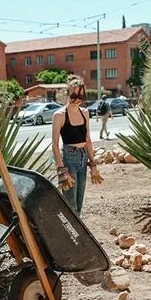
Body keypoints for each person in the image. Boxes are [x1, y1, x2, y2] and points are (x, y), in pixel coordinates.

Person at [51, 75, 103, 215]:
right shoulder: (59, 115)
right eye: (74, 96)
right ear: (67, 94)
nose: (77, 100)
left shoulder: (85, 113)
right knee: (70, 204)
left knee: (79, 202)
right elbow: (55, 145)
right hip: (69, 160)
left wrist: (93, 165)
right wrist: (62, 171)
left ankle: (77, 235)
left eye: (81, 96)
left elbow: (88, 139)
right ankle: (68, 235)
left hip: (83, 157)